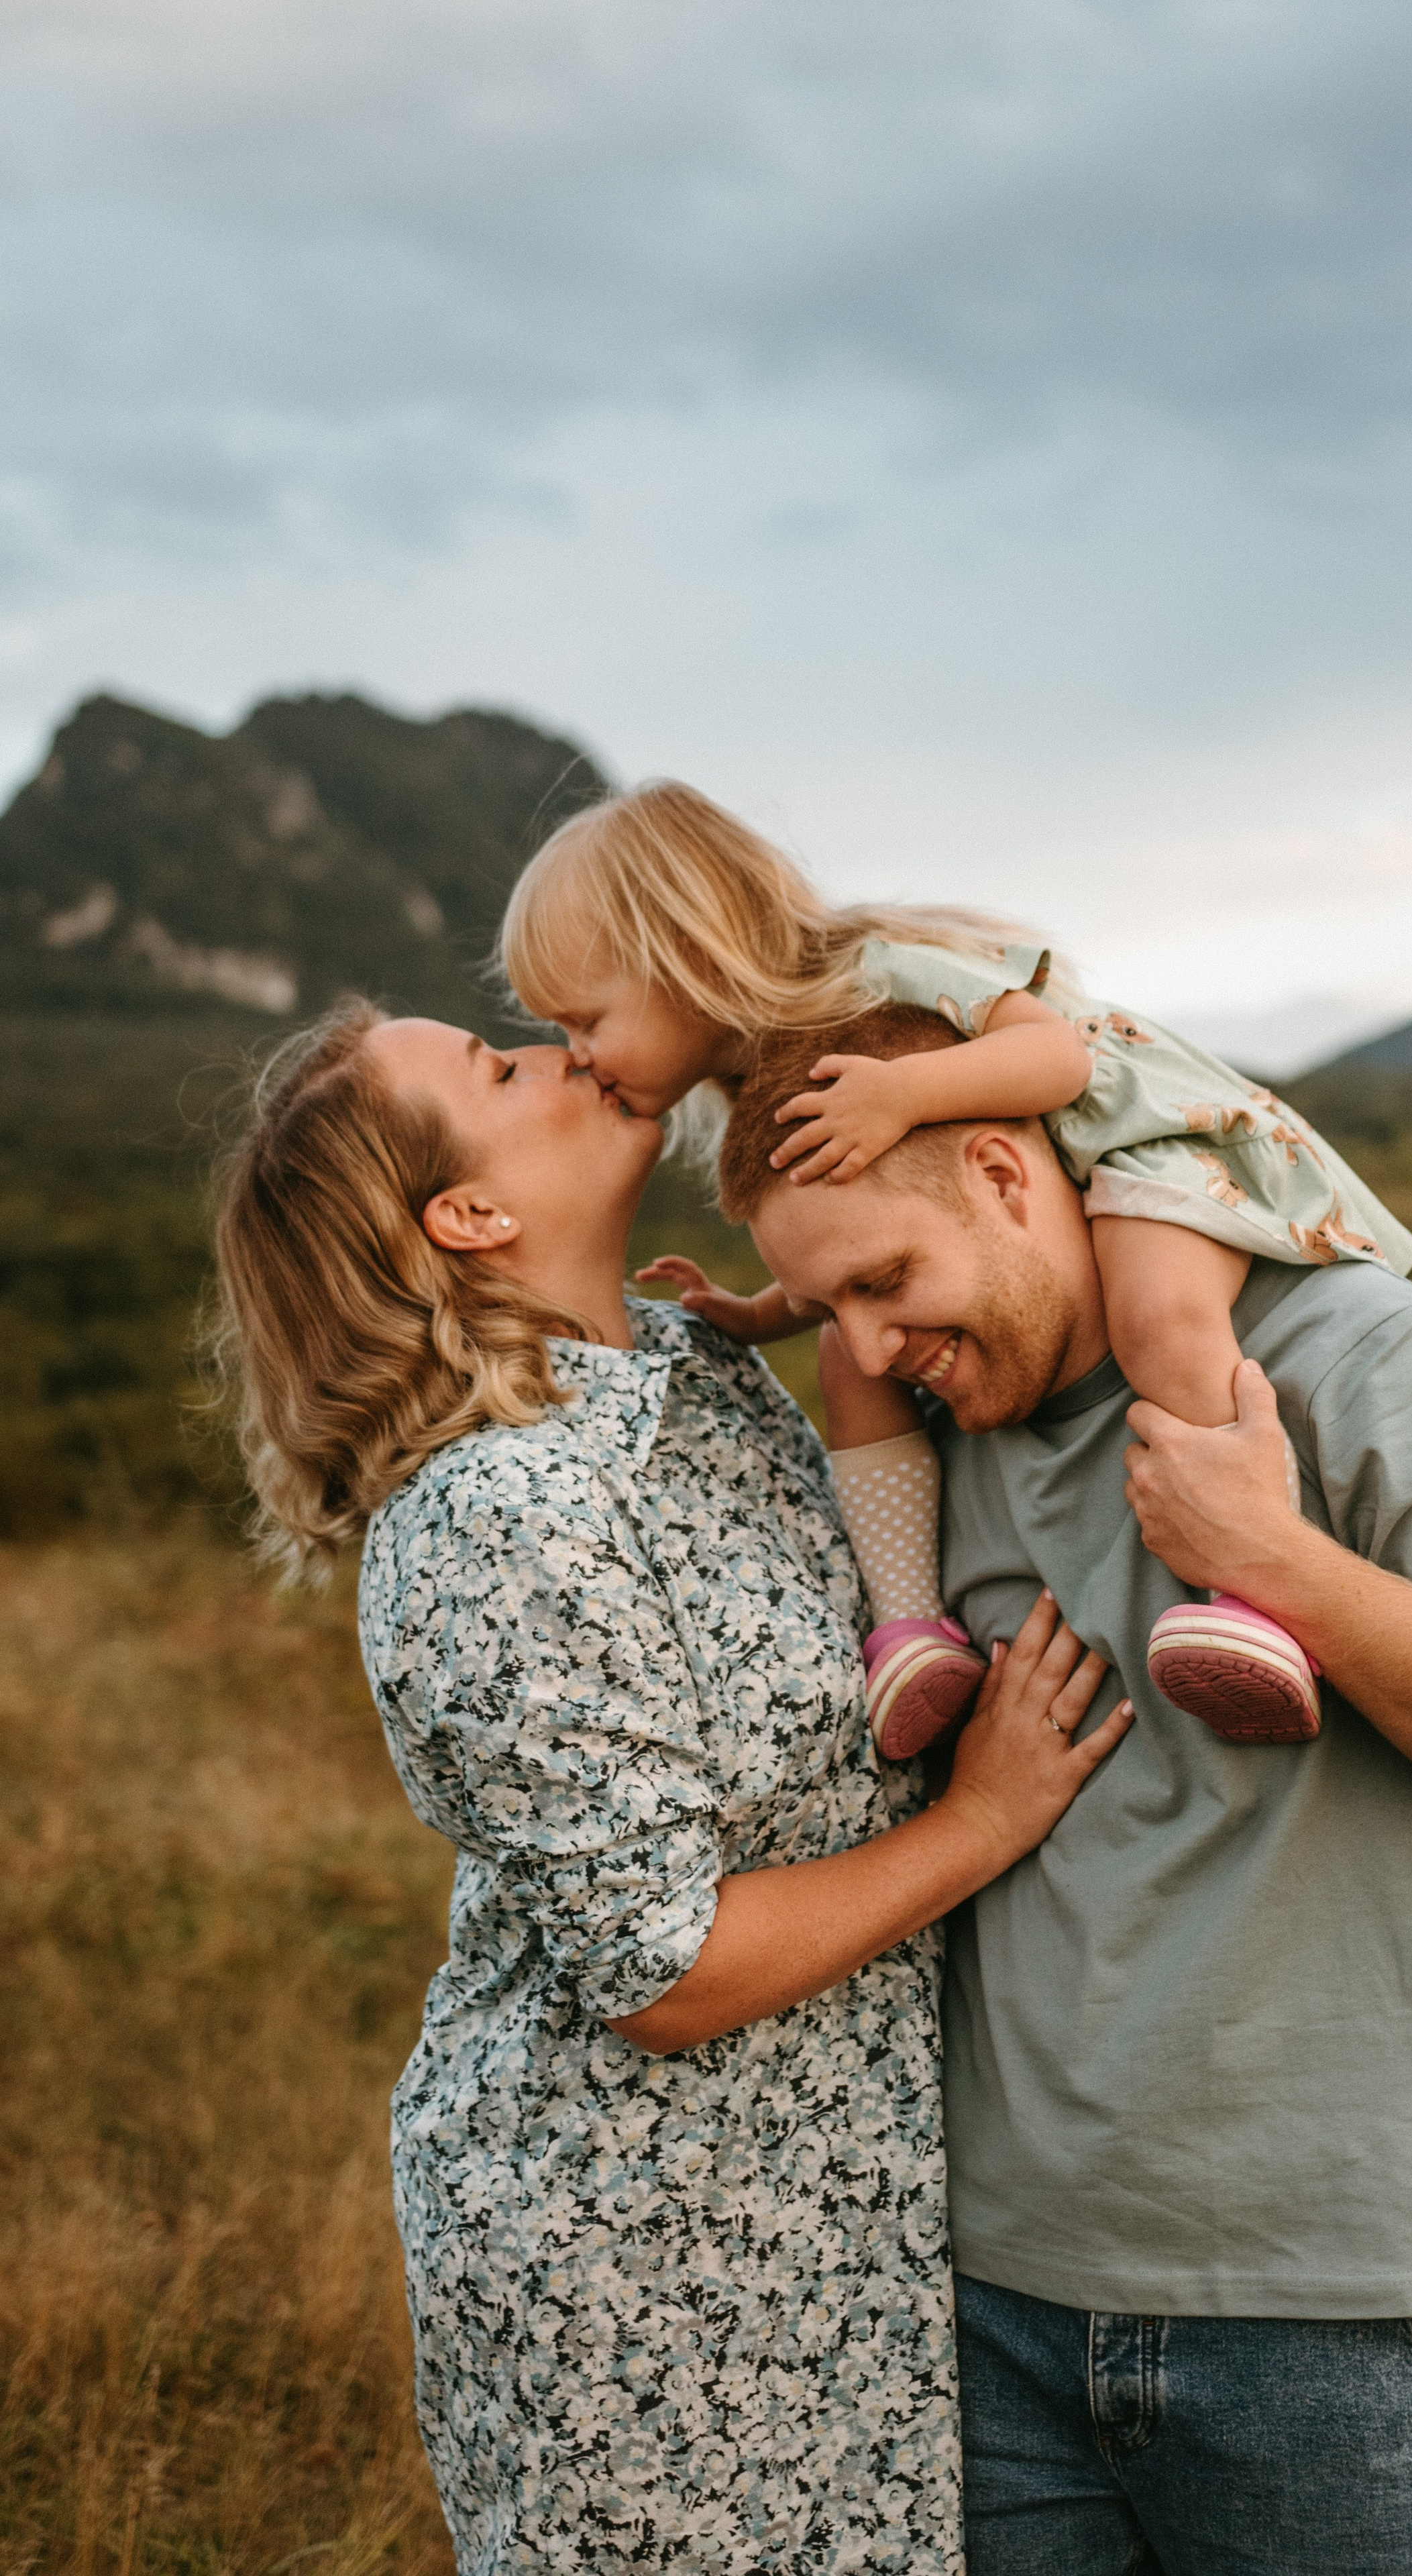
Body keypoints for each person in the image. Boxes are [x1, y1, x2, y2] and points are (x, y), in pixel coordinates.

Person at [209, 998, 1132, 2576]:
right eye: (500, 1071)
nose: (559, 1051)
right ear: (471, 1216)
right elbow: (662, 1966)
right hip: (653, 2277)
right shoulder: (497, 1517)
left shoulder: (699, 1371)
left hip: (841, 2234)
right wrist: (983, 1819)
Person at [715, 1000, 1412, 2576]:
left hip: (1314, 2315)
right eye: (823, 1308)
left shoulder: (1355, 1349)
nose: (867, 1352)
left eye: (884, 1283)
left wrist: (1269, 1561)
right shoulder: (932, 1447)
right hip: (989, 2298)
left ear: (1007, 1174)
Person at [499, 778, 1412, 1758]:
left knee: (1157, 1317)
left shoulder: (876, 969)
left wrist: (902, 1093)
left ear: (678, 956)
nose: (577, 1054)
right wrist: (765, 1313)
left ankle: (1254, 1599)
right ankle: (909, 1629)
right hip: (1047, 1189)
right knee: (856, 1363)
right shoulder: (754, 1078)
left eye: (586, 1020)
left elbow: (1057, 1062)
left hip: (1145, 1144)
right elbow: (851, 1254)